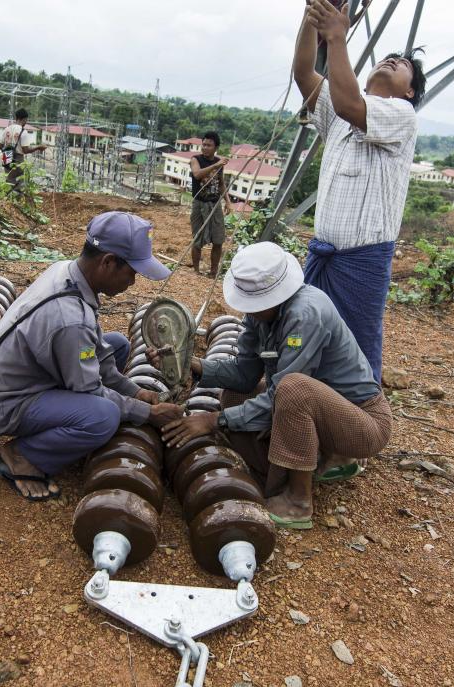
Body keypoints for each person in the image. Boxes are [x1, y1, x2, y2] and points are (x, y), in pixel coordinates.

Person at [155, 242, 391, 529]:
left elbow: (285, 393)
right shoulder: (261, 316)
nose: (250, 310)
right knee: (234, 395)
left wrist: (213, 420)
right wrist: (195, 365)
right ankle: (324, 457)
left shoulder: (305, 314)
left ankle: (298, 500)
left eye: (255, 303)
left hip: (362, 424)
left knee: (292, 389)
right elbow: (244, 374)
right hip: (325, 413)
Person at [0, 211, 183, 500]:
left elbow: (96, 352)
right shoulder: (70, 319)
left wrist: (135, 392)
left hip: (27, 376)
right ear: (108, 262)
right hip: (9, 402)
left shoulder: (67, 272)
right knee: (103, 416)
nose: (133, 282)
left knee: (117, 344)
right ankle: (22, 455)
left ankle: (52, 425)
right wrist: (146, 413)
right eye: (132, 272)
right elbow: (88, 388)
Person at [293, 0, 427, 382]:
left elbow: (352, 103)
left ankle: (356, 425)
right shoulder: (337, 108)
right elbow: (304, 72)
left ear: (410, 92)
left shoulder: (401, 115)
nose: (388, 62)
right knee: (306, 339)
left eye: (400, 65)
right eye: (385, 59)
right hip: (324, 254)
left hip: (361, 261)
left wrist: (337, 37)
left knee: (353, 351)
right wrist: (311, 18)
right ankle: (302, 407)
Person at [189, 131, 233, 278]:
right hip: (199, 204)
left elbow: (221, 183)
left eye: (209, 145)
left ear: (216, 148)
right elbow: (197, 174)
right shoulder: (195, 159)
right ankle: (196, 271)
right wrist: (216, 165)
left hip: (215, 205)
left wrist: (227, 201)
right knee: (197, 239)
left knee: (218, 240)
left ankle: (213, 272)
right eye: (204, 144)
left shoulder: (219, 163)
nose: (205, 147)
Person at [0, 108, 47, 193]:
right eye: (26, 120)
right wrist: (38, 147)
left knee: (9, 181)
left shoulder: (7, 129)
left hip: (6, 156)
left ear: (16, 118)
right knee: (20, 182)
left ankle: (8, 201)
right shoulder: (22, 131)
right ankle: (16, 201)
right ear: (24, 119)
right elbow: (26, 150)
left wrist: (8, 151)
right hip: (17, 158)